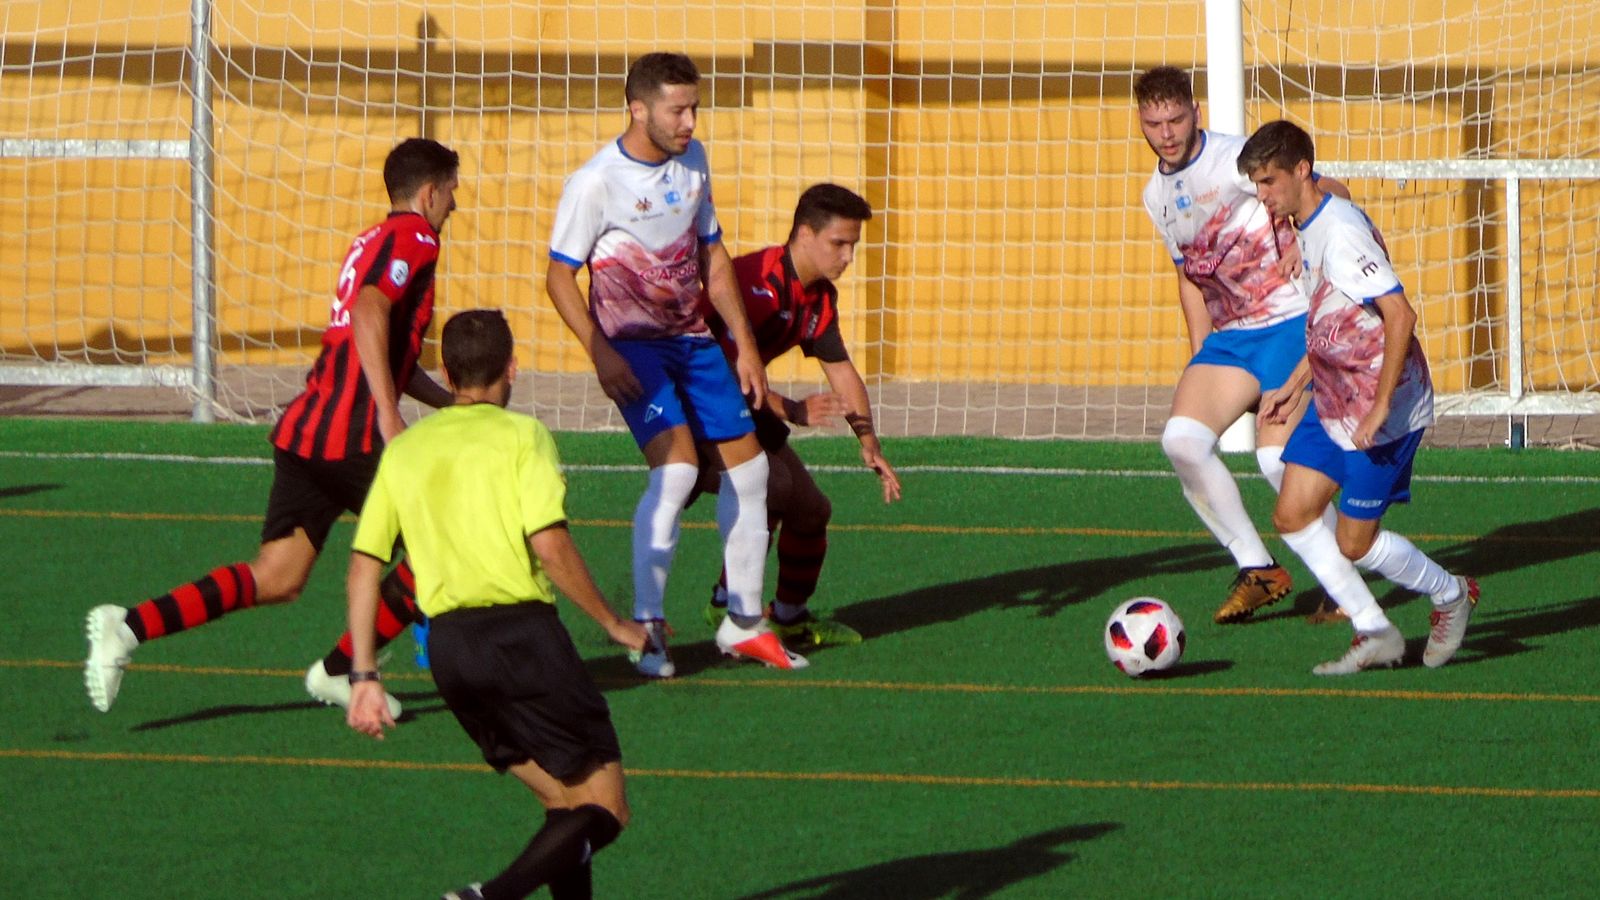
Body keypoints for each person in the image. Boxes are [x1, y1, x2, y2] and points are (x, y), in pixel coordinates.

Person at [84, 138, 461, 715]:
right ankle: (346, 670)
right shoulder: (416, 237)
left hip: (309, 429)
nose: (455, 204)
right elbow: (369, 312)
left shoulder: (372, 239)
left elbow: (377, 344)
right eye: (452, 191)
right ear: (430, 192)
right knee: (443, 547)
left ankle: (129, 626)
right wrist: (389, 416)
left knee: (278, 576)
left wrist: (444, 402)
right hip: (353, 436)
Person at [345, 309, 647, 900]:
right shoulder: (522, 436)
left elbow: (363, 568)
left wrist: (364, 675)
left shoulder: (406, 450)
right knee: (607, 808)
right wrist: (614, 623)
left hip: (452, 654)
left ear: (446, 373)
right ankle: (491, 897)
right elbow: (550, 546)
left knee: (565, 803)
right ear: (512, 368)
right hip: (523, 641)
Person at [545, 51, 805, 676]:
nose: (689, 122)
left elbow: (713, 255)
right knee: (680, 470)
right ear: (638, 109)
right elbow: (558, 277)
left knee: (752, 473)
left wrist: (745, 345)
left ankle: (744, 623)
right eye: (677, 110)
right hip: (633, 347)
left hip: (694, 340)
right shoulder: (595, 181)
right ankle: (650, 627)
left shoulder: (694, 160)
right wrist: (600, 351)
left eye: (694, 108)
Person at [1240, 120, 1478, 675]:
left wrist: (1380, 406)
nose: (1262, 195)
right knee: (1293, 514)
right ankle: (1375, 631)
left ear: (1302, 170)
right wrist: (1294, 385)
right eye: (1256, 184)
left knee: (1354, 543)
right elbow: (1335, 319)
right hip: (1333, 400)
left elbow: (1400, 315)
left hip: (1382, 411)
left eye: (1269, 181)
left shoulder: (1341, 233)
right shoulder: (1306, 222)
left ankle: (1451, 595)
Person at [1135, 66, 1352, 624]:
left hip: (1287, 324)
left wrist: (1309, 237)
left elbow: (1331, 190)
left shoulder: (1234, 159)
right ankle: (1259, 568)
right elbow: (1188, 277)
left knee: (1278, 463)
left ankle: (1341, 579)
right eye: (1154, 123)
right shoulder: (1155, 195)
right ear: (1141, 122)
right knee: (1182, 442)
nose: (1166, 133)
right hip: (1231, 341)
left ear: (1196, 113)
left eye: (1176, 119)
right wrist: (1199, 354)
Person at [697, 184, 903, 647]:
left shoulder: (819, 297)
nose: (849, 257)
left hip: (741, 405)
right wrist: (790, 409)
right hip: (694, 403)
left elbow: (841, 370)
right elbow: (722, 370)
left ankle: (789, 617)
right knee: (773, 489)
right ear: (805, 234)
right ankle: (728, 605)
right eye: (839, 243)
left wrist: (869, 443)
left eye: (853, 245)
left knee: (811, 510)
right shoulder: (757, 284)